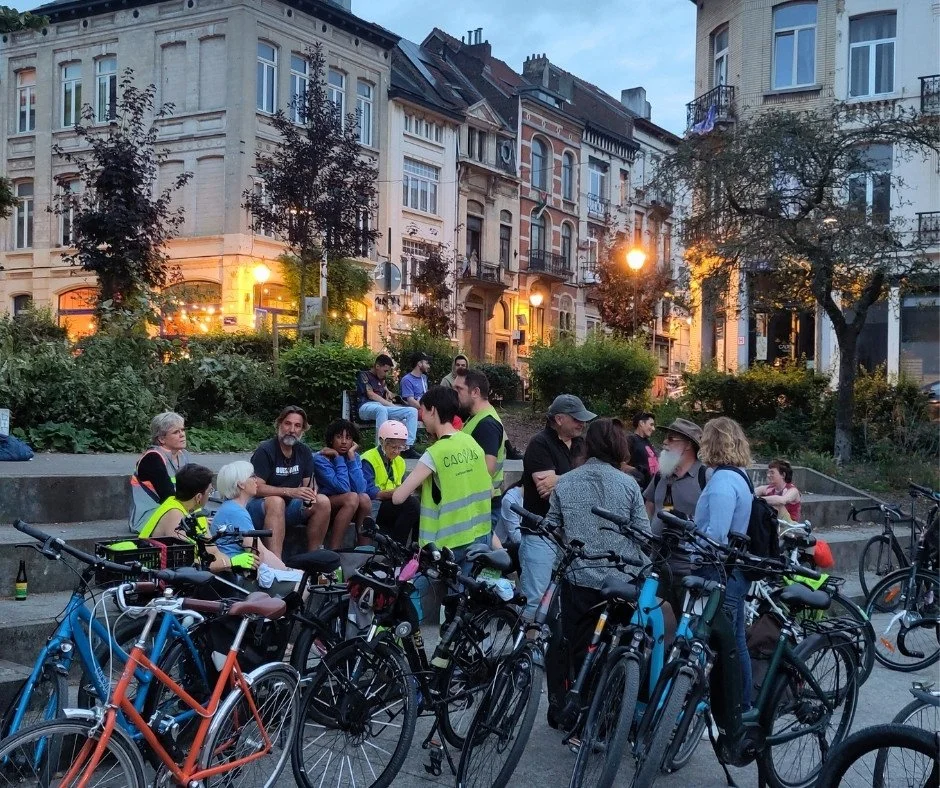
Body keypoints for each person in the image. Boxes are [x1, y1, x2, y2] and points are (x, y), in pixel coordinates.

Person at [543, 418, 650, 728]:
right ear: (619, 447)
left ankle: (566, 706)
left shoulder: (566, 481)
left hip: (578, 578)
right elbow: (643, 535)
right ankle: (605, 711)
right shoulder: (628, 484)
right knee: (613, 649)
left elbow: (552, 526)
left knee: (575, 647)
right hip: (619, 582)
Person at [693, 416, 754, 709]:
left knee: (720, 645)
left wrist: (692, 544)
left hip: (717, 569)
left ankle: (728, 706)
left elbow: (716, 533)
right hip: (734, 569)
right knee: (735, 644)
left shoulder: (722, 482)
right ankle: (741, 704)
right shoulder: (740, 476)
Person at [519, 394, 595, 621]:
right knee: (536, 601)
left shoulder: (582, 444)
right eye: (577, 419)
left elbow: (592, 480)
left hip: (570, 536)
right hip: (540, 535)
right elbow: (545, 489)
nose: (582, 423)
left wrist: (561, 480)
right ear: (559, 419)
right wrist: (583, 479)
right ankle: (525, 654)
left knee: (565, 604)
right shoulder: (540, 443)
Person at [391, 386, 492, 553]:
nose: (421, 417)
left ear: (433, 411)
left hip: (449, 545)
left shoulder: (435, 453)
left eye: (422, 411)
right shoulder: (471, 442)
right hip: (480, 534)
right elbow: (485, 489)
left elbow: (398, 498)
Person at [643, 417, 706, 618]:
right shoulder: (662, 474)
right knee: (651, 617)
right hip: (657, 561)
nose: (664, 443)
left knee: (685, 624)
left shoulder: (705, 477)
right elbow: (649, 503)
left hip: (688, 568)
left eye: (671, 439)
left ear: (688, 445)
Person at [247, 406, 331, 557]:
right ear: (279, 424)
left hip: (289, 507)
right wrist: (289, 491)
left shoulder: (304, 451)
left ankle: (314, 560)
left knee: (322, 501)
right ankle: (276, 565)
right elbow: (256, 488)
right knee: (276, 501)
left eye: (297, 426)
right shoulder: (265, 450)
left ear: (303, 430)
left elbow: (309, 484)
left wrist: (311, 494)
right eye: (287, 423)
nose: (292, 429)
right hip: (259, 507)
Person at [138, 463, 251, 573]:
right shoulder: (174, 515)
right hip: (155, 576)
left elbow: (213, 551)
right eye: (210, 491)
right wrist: (231, 562)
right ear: (198, 497)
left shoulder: (193, 512)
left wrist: (228, 563)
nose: (210, 495)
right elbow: (191, 564)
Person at [211, 461, 292, 576]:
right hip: (239, 575)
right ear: (241, 484)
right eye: (252, 476)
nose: (256, 480)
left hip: (233, 573)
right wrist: (289, 571)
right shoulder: (236, 512)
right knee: (302, 585)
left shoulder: (230, 507)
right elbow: (259, 553)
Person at [454, 368, 506, 527]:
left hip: (482, 507)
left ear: (475, 392)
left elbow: (487, 469)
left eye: (459, 389)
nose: (454, 393)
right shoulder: (477, 418)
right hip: (480, 503)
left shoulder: (487, 424)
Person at [313, 419, 373, 549]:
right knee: (352, 497)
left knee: (365, 498)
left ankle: (364, 549)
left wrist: (351, 458)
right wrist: (338, 458)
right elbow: (342, 487)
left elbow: (361, 488)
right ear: (331, 439)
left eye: (348, 437)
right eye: (339, 437)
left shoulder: (354, 457)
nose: (344, 442)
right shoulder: (320, 459)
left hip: (349, 505)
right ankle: (335, 549)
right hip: (325, 504)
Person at [129, 411, 192, 532]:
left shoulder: (183, 455)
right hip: (147, 518)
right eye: (176, 432)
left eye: (183, 430)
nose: (182, 435)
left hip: (174, 512)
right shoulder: (153, 458)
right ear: (162, 439)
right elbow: (168, 496)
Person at [361, 420, 419, 545]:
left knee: (418, 505)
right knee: (412, 504)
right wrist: (394, 493)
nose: (397, 451)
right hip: (375, 505)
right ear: (382, 442)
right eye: (393, 447)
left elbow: (402, 484)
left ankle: (417, 548)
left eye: (401, 447)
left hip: (393, 502)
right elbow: (367, 491)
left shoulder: (400, 461)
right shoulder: (368, 459)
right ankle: (398, 547)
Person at [357, 354, 420, 458]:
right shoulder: (364, 375)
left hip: (382, 408)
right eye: (385, 371)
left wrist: (389, 394)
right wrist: (390, 405)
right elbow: (371, 394)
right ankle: (381, 449)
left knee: (412, 411)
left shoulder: (381, 379)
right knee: (382, 410)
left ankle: (407, 447)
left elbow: (384, 390)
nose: (386, 374)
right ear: (377, 366)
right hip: (365, 407)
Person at [626, 412, 659, 490]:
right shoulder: (630, 439)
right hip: (638, 490)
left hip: (650, 492)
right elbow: (621, 464)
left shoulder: (647, 442)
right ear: (641, 423)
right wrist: (638, 472)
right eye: (651, 424)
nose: (653, 429)